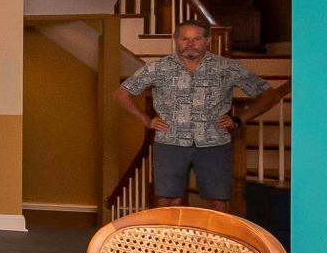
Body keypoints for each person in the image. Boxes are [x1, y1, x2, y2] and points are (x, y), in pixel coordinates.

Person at [114, 20, 283, 212]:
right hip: (170, 143)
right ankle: (169, 242)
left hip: (215, 144)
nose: (190, 43)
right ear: (176, 40)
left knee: (217, 202)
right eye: (184, 38)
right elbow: (121, 94)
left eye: (196, 39)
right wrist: (147, 120)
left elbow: (270, 95)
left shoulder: (227, 67)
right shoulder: (157, 68)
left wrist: (240, 119)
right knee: (167, 201)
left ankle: (214, 242)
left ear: (207, 41)